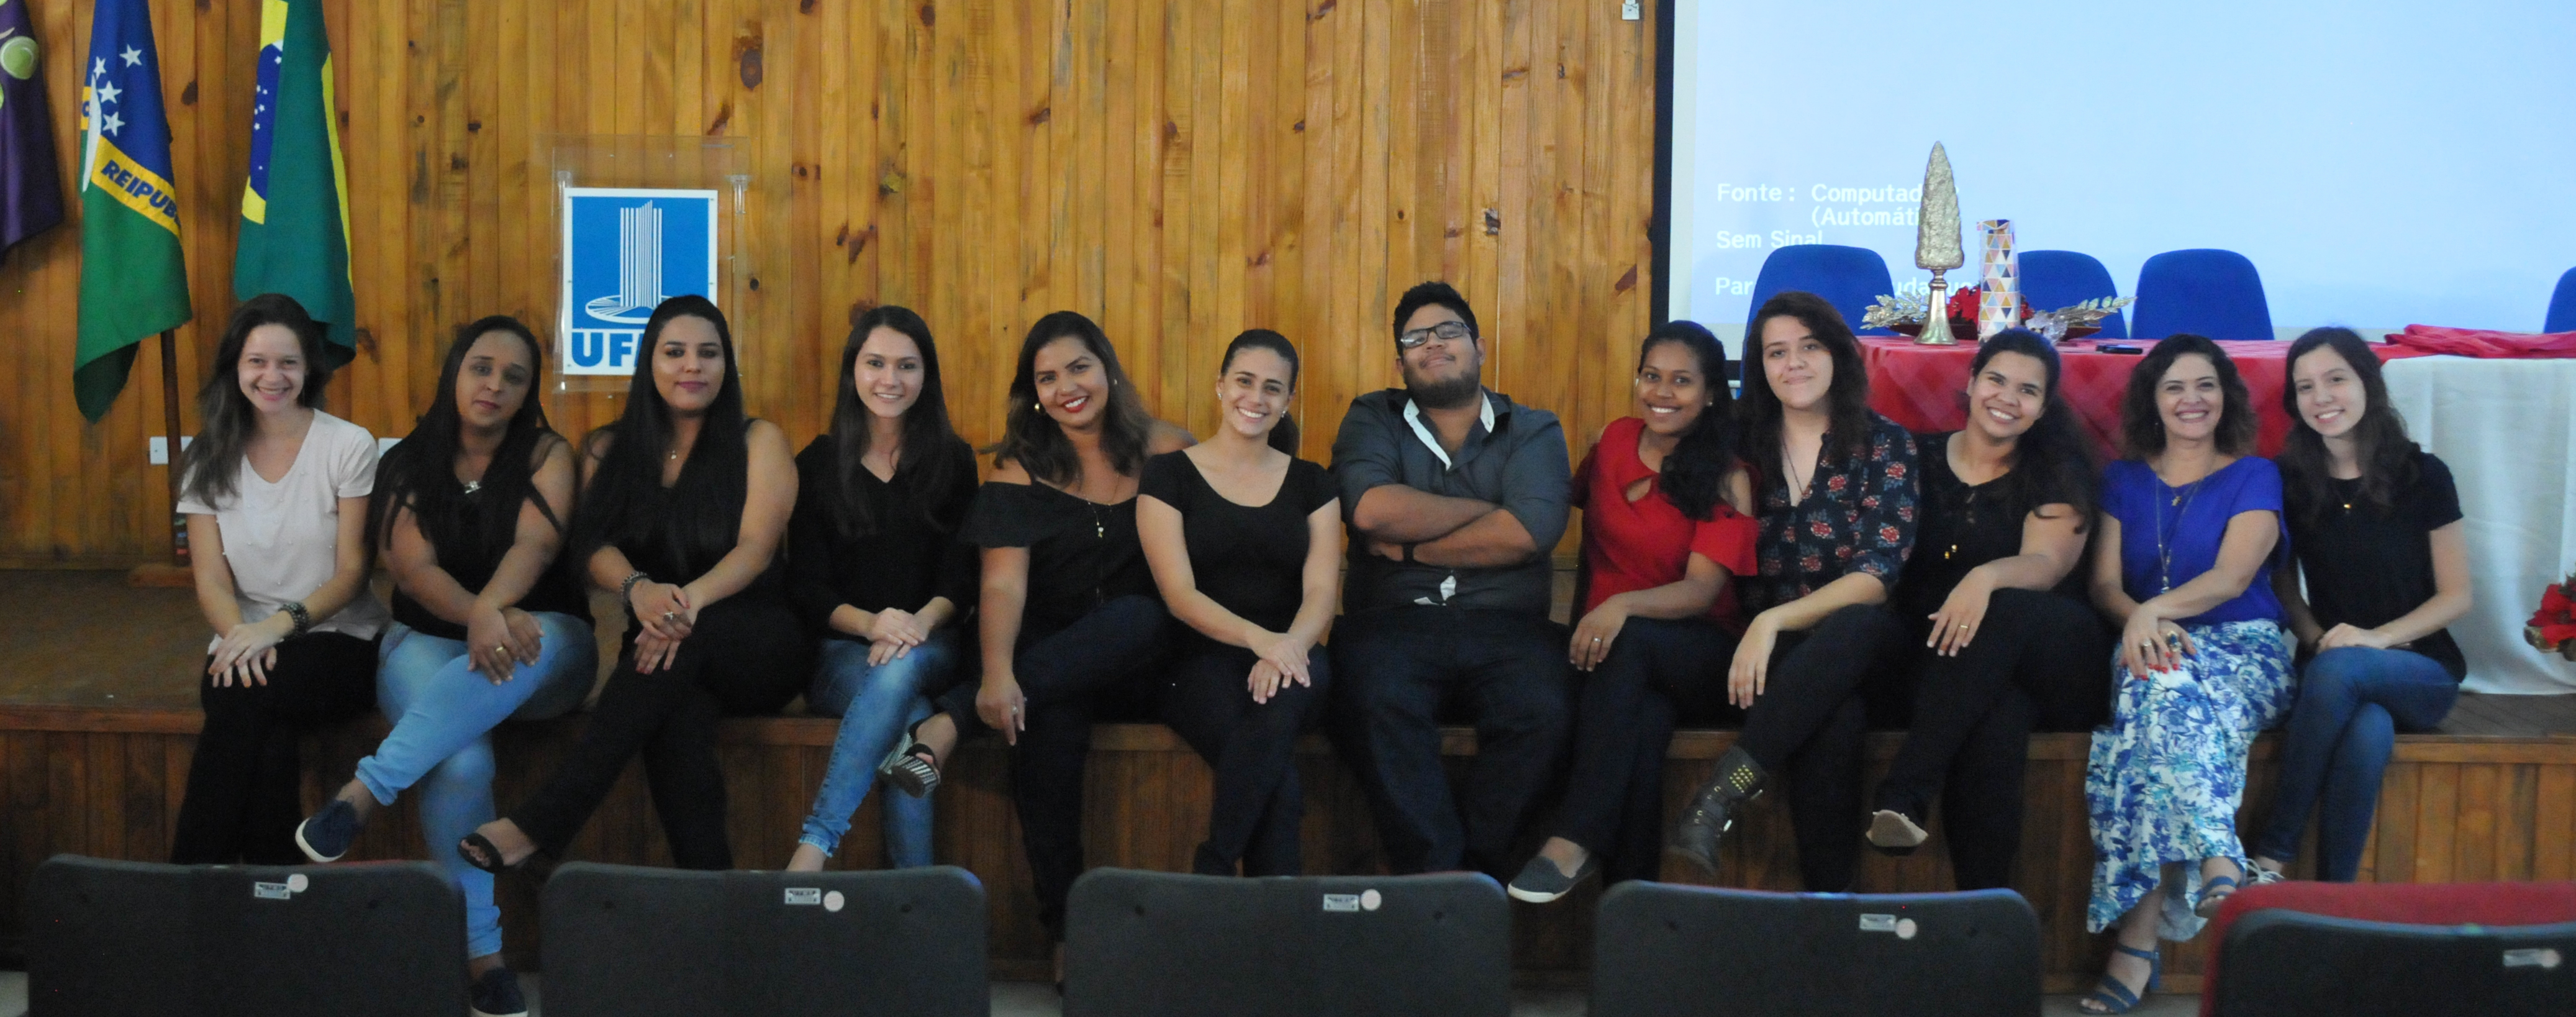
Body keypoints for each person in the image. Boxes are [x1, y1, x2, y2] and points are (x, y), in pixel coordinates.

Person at [287, 316, 594, 1017]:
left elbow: (536, 547)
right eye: (481, 367)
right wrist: (479, 615)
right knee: (459, 763)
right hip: (428, 641)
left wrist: (493, 610)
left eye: (513, 376)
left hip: (543, 647)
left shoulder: (547, 452)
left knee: (534, 641)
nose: (494, 385)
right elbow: (413, 568)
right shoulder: (407, 460)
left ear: (528, 391)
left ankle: (365, 790)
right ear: (455, 371)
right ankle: (484, 959)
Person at [461, 295, 806, 873]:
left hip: (757, 642)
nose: (692, 365)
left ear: (727, 366)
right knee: (677, 719)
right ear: (649, 362)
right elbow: (593, 544)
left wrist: (686, 604)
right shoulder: (607, 448)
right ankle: (715, 896)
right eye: (675, 352)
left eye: (708, 353)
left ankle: (543, 822)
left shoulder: (759, 440)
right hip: (658, 646)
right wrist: (640, 589)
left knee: (675, 651)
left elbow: (756, 549)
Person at [882, 311, 1193, 952]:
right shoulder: (1018, 469)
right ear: (1033, 393)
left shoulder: (1167, 451)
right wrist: (996, 674)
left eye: (1079, 368)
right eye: (1047, 378)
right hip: (1044, 660)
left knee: (1141, 615)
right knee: (1044, 726)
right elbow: (1001, 586)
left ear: (1107, 370)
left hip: (1136, 661)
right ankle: (1065, 937)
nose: (1066, 387)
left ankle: (951, 719)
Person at [1667, 291, 1919, 893]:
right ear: (1759, 366)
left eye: (1809, 347)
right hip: (1773, 662)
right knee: (1834, 714)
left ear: (1837, 354)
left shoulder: (1886, 443)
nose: (1794, 363)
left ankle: (1720, 794)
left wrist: (1773, 620)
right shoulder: (1738, 445)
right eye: (1776, 352)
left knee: (1856, 624)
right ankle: (1828, 912)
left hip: (1865, 652)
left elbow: (1875, 576)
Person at [2079, 334, 2297, 1015]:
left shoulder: (2254, 475)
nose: (2191, 399)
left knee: (2149, 707)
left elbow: (2232, 577)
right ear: (2152, 399)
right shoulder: (2122, 479)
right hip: (2146, 639)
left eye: (2205, 385)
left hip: (2244, 648)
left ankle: (2135, 943)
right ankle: (2218, 859)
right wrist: (2141, 620)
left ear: (2226, 396)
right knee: (2158, 684)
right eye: (2174, 386)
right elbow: (2103, 585)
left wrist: (2153, 611)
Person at [1327, 281, 1574, 880]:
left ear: (1479, 346)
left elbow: (1530, 531)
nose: (1432, 344)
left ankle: (1475, 872)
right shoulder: (1372, 416)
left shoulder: (1534, 428)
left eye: (1448, 331)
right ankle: (1440, 880)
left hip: (1510, 627)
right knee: (1371, 701)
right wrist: (1495, 511)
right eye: (1416, 338)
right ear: (1400, 363)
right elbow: (1371, 510)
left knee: (1547, 712)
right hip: (1391, 622)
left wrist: (1412, 544)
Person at [1506, 321, 1756, 904]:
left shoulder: (1730, 476)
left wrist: (1618, 606)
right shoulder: (1614, 440)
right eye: (1651, 376)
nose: (1662, 392)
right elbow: (1551, 510)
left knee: (1631, 645)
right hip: (1614, 662)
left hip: (1702, 654)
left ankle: (1574, 837)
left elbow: (1701, 591)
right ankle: (1629, 918)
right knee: (1642, 727)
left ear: (1711, 393)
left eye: (1682, 381)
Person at [1861, 329, 2112, 892]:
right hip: (1959, 668)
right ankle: (1987, 915)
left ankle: (1907, 787)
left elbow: (2046, 564)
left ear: (2043, 407)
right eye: (1996, 380)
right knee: (1997, 714)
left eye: (2028, 390)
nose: (2008, 398)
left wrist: (1986, 576)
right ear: (1972, 383)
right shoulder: (1916, 456)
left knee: (2007, 606)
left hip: (2054, 657)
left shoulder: (2054, 469)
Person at [171, 294, 389, 866]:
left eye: (288, 362)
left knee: (241, 699)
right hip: (244, 641)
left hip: (339, 637)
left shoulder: (347, 445)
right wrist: (241, 637)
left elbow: (352, 573)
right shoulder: (207, 456)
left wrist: (276, 628)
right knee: (259, 723)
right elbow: (211, 579)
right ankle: (274, 886)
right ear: (235, 367)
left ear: (310, 368)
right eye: (257, 361)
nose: (273, 376)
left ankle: (192, 879)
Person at [2250, 327, 2469, 883]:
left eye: (2336, 379)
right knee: (2368, 729)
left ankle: (2272, 853)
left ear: (2369, 382)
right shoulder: (2289, 478)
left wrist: (2375, 639)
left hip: (2419, 667)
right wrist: (2314, 637)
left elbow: (2457, 595)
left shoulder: (2424, 474)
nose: (2321, 397)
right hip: (2330, 665)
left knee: (2343, 671)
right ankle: (2336, 898)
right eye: (2305, 387)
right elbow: (2283, 584)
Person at [782, 306, 979, 873]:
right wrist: (873, 624)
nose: (890, 379)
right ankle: (916, 904)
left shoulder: (952, 460)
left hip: (931, 644)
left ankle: (816, 843)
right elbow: (807, 586)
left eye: (906, 366)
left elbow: (960, 579)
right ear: (853, 371)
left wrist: (915, 624)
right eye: (875, 363)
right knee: (910, 721)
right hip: (842, 656)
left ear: (926, 375)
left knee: (902, 667)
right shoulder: (818, 463)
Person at [1138, 329, 1341, 877]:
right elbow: (1179, 594)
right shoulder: (1169, 475)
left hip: (1297, 653)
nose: (1256, 397)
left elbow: (1322, 590)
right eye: (1244, 381)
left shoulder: (1312, 482)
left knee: (1277, 720)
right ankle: (1250, 905)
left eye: (1273, 388)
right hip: (1198, 659)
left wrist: (1288, 647)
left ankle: (1214, 869)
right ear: (1220, 386)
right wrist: (1260, 641)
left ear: (1289, 400)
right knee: (1278, 784)